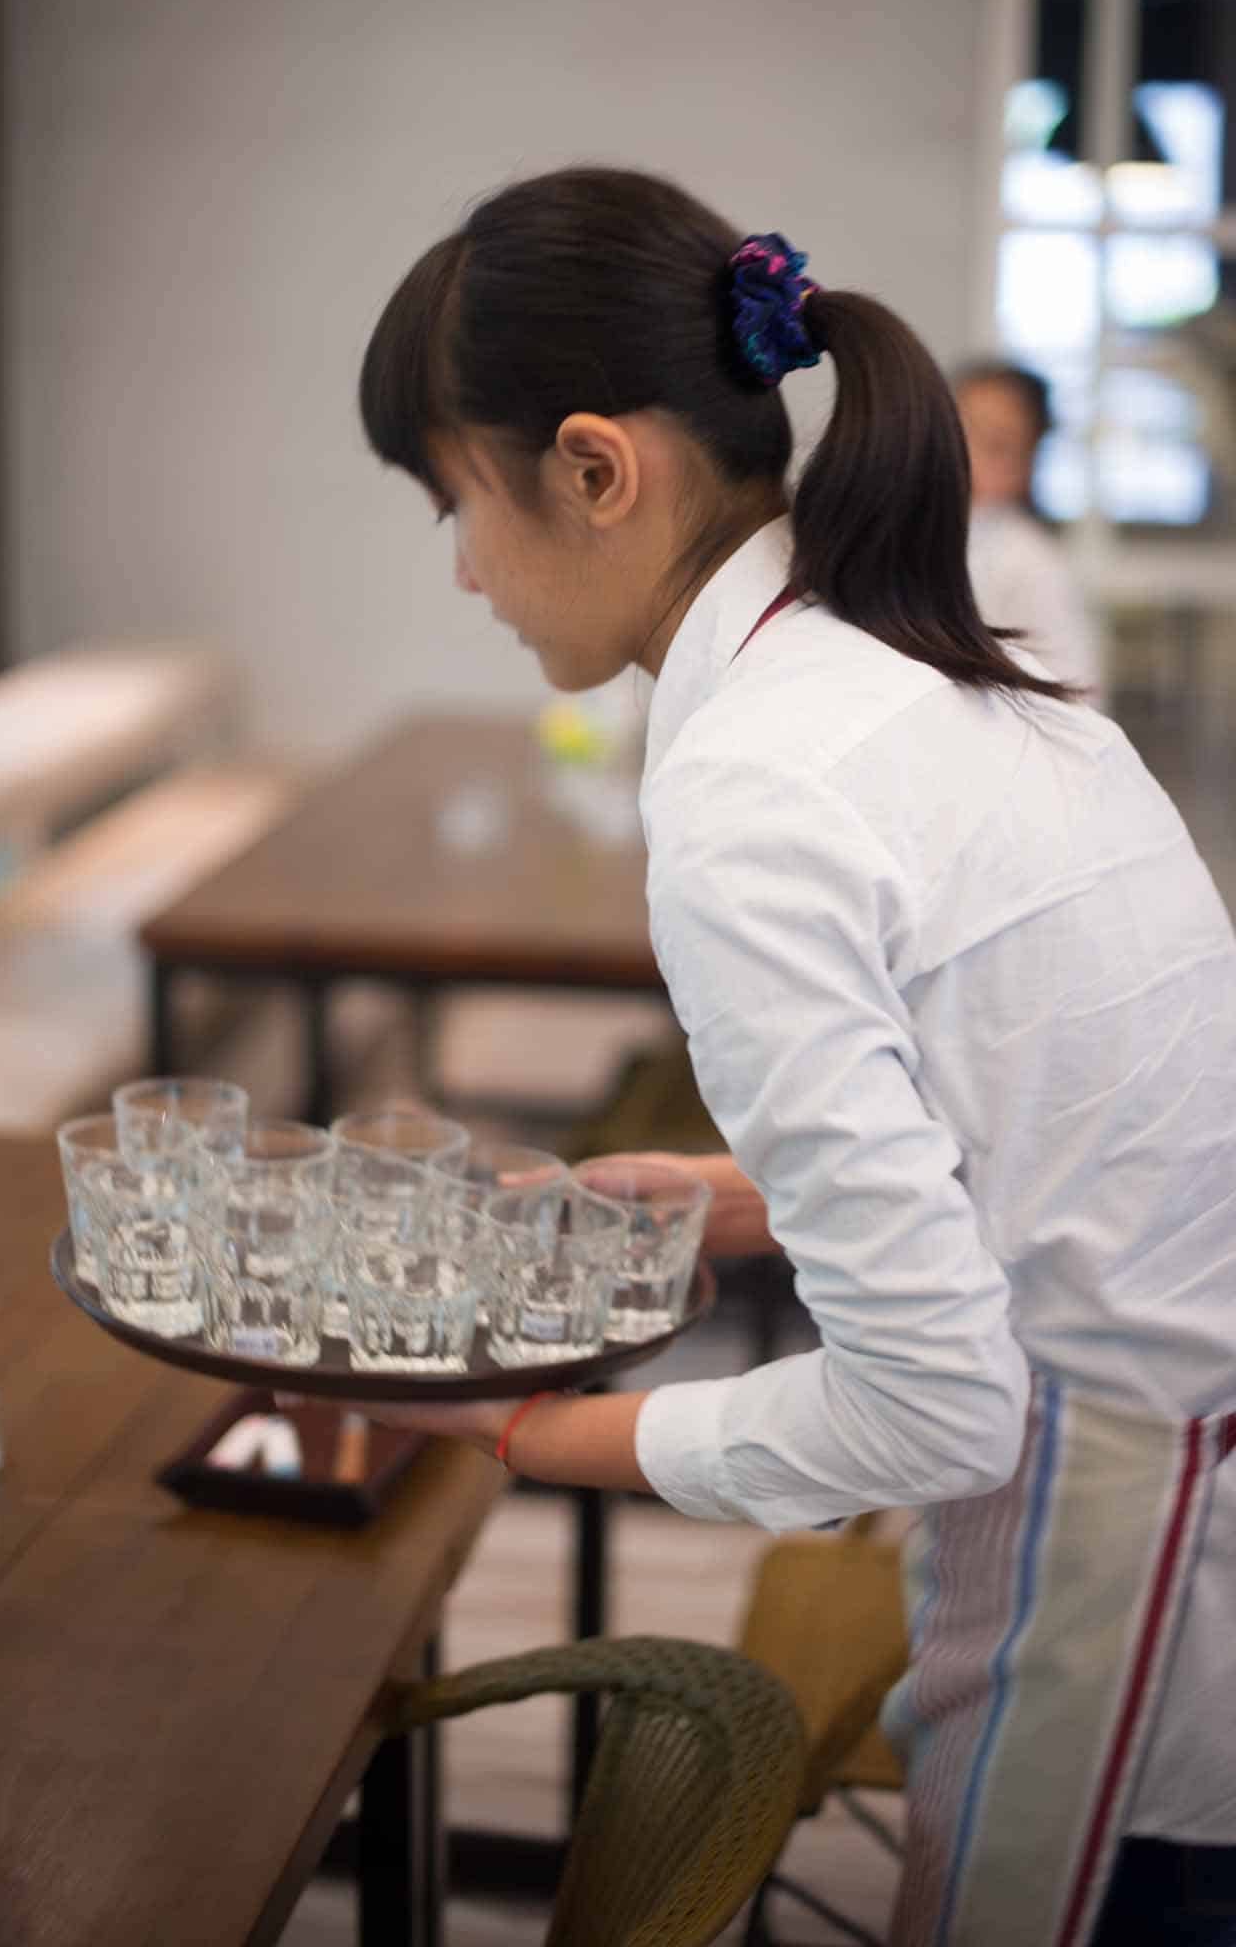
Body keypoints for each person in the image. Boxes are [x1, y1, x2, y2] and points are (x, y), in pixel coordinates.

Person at [355, 168, 1236, 1946]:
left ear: (594, 469)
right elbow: (1086, 1119)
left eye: (456, 502)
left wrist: (528, 1427)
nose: (462, 568)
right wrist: (757, 1202)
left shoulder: (754, 789)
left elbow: (934, 1407)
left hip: (1132, 1548)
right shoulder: (924, 660)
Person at [953, 359, 1105, 701]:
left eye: (995, 446)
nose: (965, 453)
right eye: (957, 429)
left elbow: (1075, 698)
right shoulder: (904, 530)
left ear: (1026, 466)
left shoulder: (1031, 565)